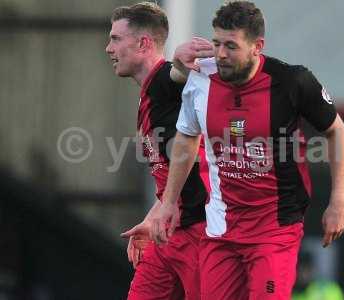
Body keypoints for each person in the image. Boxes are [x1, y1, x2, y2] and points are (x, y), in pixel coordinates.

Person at [150, 1, 344, 299]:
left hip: (275, 229)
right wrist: (168, 202)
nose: (220, 54)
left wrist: (339, 201)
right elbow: (186, 138)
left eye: (231, 46)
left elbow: (337, 131)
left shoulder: (292, 82)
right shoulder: (202, 77)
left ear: (257, 46)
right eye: (216, 43)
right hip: (221, 227)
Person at [105, 3, 213, 300]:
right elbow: (171, 173)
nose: (108, 48)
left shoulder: (164, 82)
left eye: (115, 39)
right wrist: (154, 216)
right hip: (168, 232)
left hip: (201, 233)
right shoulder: (149, 95)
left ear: (143, 44)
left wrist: (179, 62)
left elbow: (176, 76)